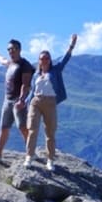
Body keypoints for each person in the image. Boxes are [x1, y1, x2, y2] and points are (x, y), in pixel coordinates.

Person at [25, 33, 77, 171]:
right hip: (36, 102)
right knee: (32, 129)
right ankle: (29, 156)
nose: (44, 60)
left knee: (50, 133)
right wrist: (24, 101)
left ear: (50, 60)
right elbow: (32, 90)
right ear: (39, 61)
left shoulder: (56, 70)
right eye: (42, 58)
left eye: (47, 58)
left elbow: (66, 59)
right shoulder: (36, 74)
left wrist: (72, 45)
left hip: (50, 102)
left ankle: (50, 160)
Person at [0, 39, 34, 161]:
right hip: (7, 99)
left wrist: (21, 100)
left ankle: (31, 152)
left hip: (17, 101)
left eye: (14, 49)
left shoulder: (25, 65)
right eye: (9, 49)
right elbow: (2, 60)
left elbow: (25, 85)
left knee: (22, 127)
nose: (11, 51)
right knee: (4, 127)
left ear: (19, 50)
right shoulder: (10, 63)